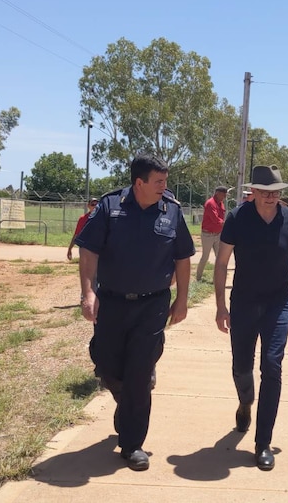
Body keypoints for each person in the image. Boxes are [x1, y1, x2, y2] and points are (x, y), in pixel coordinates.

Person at [75, 153, 195, 472]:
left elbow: (183, 258)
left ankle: (132, 444)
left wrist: (182, 299)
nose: (164, 187)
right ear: (139, 183)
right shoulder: (109, 208)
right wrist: (88, 292)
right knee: (106, 365)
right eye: (159, 181)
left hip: (152, 305)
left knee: (139, 375)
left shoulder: (172, 212)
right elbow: (89, 250)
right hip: (112, 301)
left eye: (165, 181)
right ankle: (126, 402)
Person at [214, 165, 288, 471]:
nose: (270, 197)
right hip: (243, 302)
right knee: (242, 365)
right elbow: (222, 262)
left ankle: (262, 442)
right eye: (265, 191)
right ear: (253, 191)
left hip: (278, 303)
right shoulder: (236, 218)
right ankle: (245, 401)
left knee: (272, 364)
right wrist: (219, 304)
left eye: (276, 192)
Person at [196, 186, 228, 281]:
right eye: (223, 194)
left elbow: (221, 217)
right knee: (205, 257)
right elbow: (215, 219)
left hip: (218, 234)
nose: (225, 197)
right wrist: (226, 224)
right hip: (208, 235)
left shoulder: (220, 204)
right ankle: (198, 277)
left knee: (219, 258)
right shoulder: (210, 203)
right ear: (217, 193)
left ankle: (217, 278)